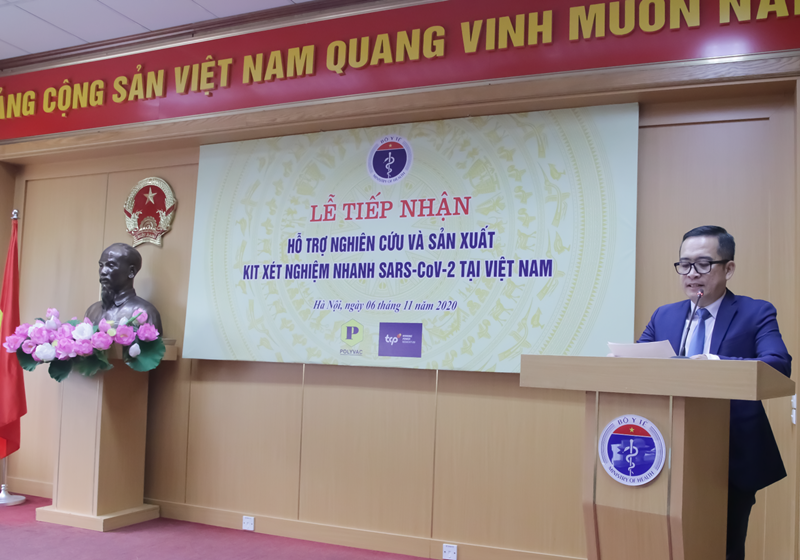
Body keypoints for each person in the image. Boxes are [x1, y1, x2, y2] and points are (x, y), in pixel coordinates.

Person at [637, 226, 791, 560]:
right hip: (664, 451)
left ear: (728, 268)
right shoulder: (664, 315)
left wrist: (714, 363)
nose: (691, 273)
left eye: (703, 264)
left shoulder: (756, 312)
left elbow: (778, 365)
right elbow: (636, 363)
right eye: (684, 264)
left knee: (724, 547)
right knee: (667, 543)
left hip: (731, 453)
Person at [85, 243, 163, 335]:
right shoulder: (92, 311)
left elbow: (154, 344)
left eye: (110, 265)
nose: (103, 271)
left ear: (131, 271)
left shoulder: (145, 312)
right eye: (101, 265)